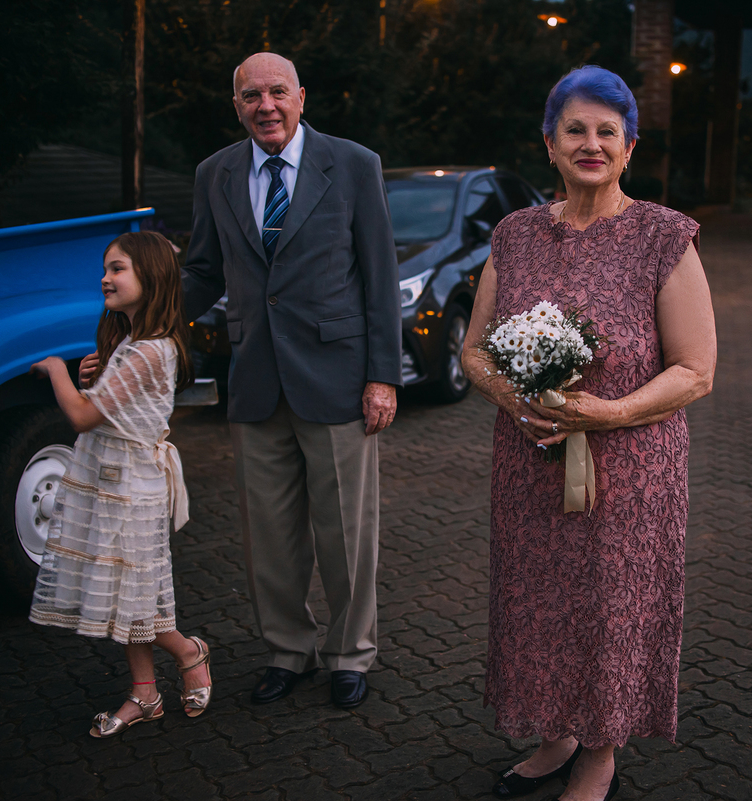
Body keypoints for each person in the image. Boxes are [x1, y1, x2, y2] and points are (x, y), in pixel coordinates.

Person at [461, 66, 717, 801]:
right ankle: (555, 735)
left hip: (630, 471)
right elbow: (474, 351)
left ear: (630, 147)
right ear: (549, 143)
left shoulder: (663, 236)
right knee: (537, 602)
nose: (591, 144)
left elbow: (696, 370)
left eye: (608, 131)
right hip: (530, 461)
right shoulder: (515, 235)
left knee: (610, 609)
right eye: (575, 129)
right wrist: (518, 401)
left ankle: (600, 751)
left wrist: (604, 413)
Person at [182, 53, 401, 709]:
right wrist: (136, 323)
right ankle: (288, 652)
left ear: (301, 97)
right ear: (237, 106)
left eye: (278, 92)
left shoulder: (353, 163)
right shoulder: (215, 173)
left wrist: (382, 377)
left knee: (345, 535)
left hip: (337, 379)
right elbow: (202, 271)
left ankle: (349, 653)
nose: (266, 106)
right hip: (255, 379)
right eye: (252, 96)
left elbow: (379, 275)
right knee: (270, 540)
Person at [29, 231, 213, 738]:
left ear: (150, 277)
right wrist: (92, 376)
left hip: (132, 488)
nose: (105, 279)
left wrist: (57, 371)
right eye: (105, 269)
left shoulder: (148, 351)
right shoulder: (130, 345)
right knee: (123, 595)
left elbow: (82, 417)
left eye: (117, 269)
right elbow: (111, 409)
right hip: (110, 481)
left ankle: (189, 652)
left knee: (133, 598)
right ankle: (145, 694)